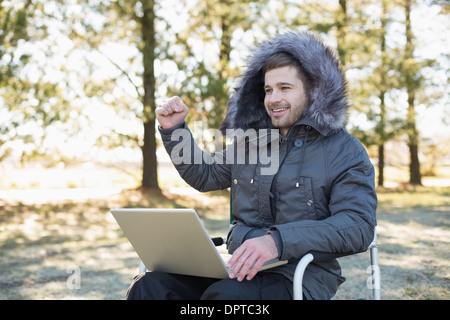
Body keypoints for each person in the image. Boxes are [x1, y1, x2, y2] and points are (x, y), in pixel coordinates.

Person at [126, 32, 377, 300]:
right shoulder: (252, 143)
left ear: (313, 91)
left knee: (227, 297)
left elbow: (358, 225)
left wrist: (276, 242)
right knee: (149, 286)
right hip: (238, 266)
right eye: (268, 90)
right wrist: (175, 130)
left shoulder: (344, 151)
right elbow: (205, 174)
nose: (273, 98)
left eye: (285, 88)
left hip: (300, 276)